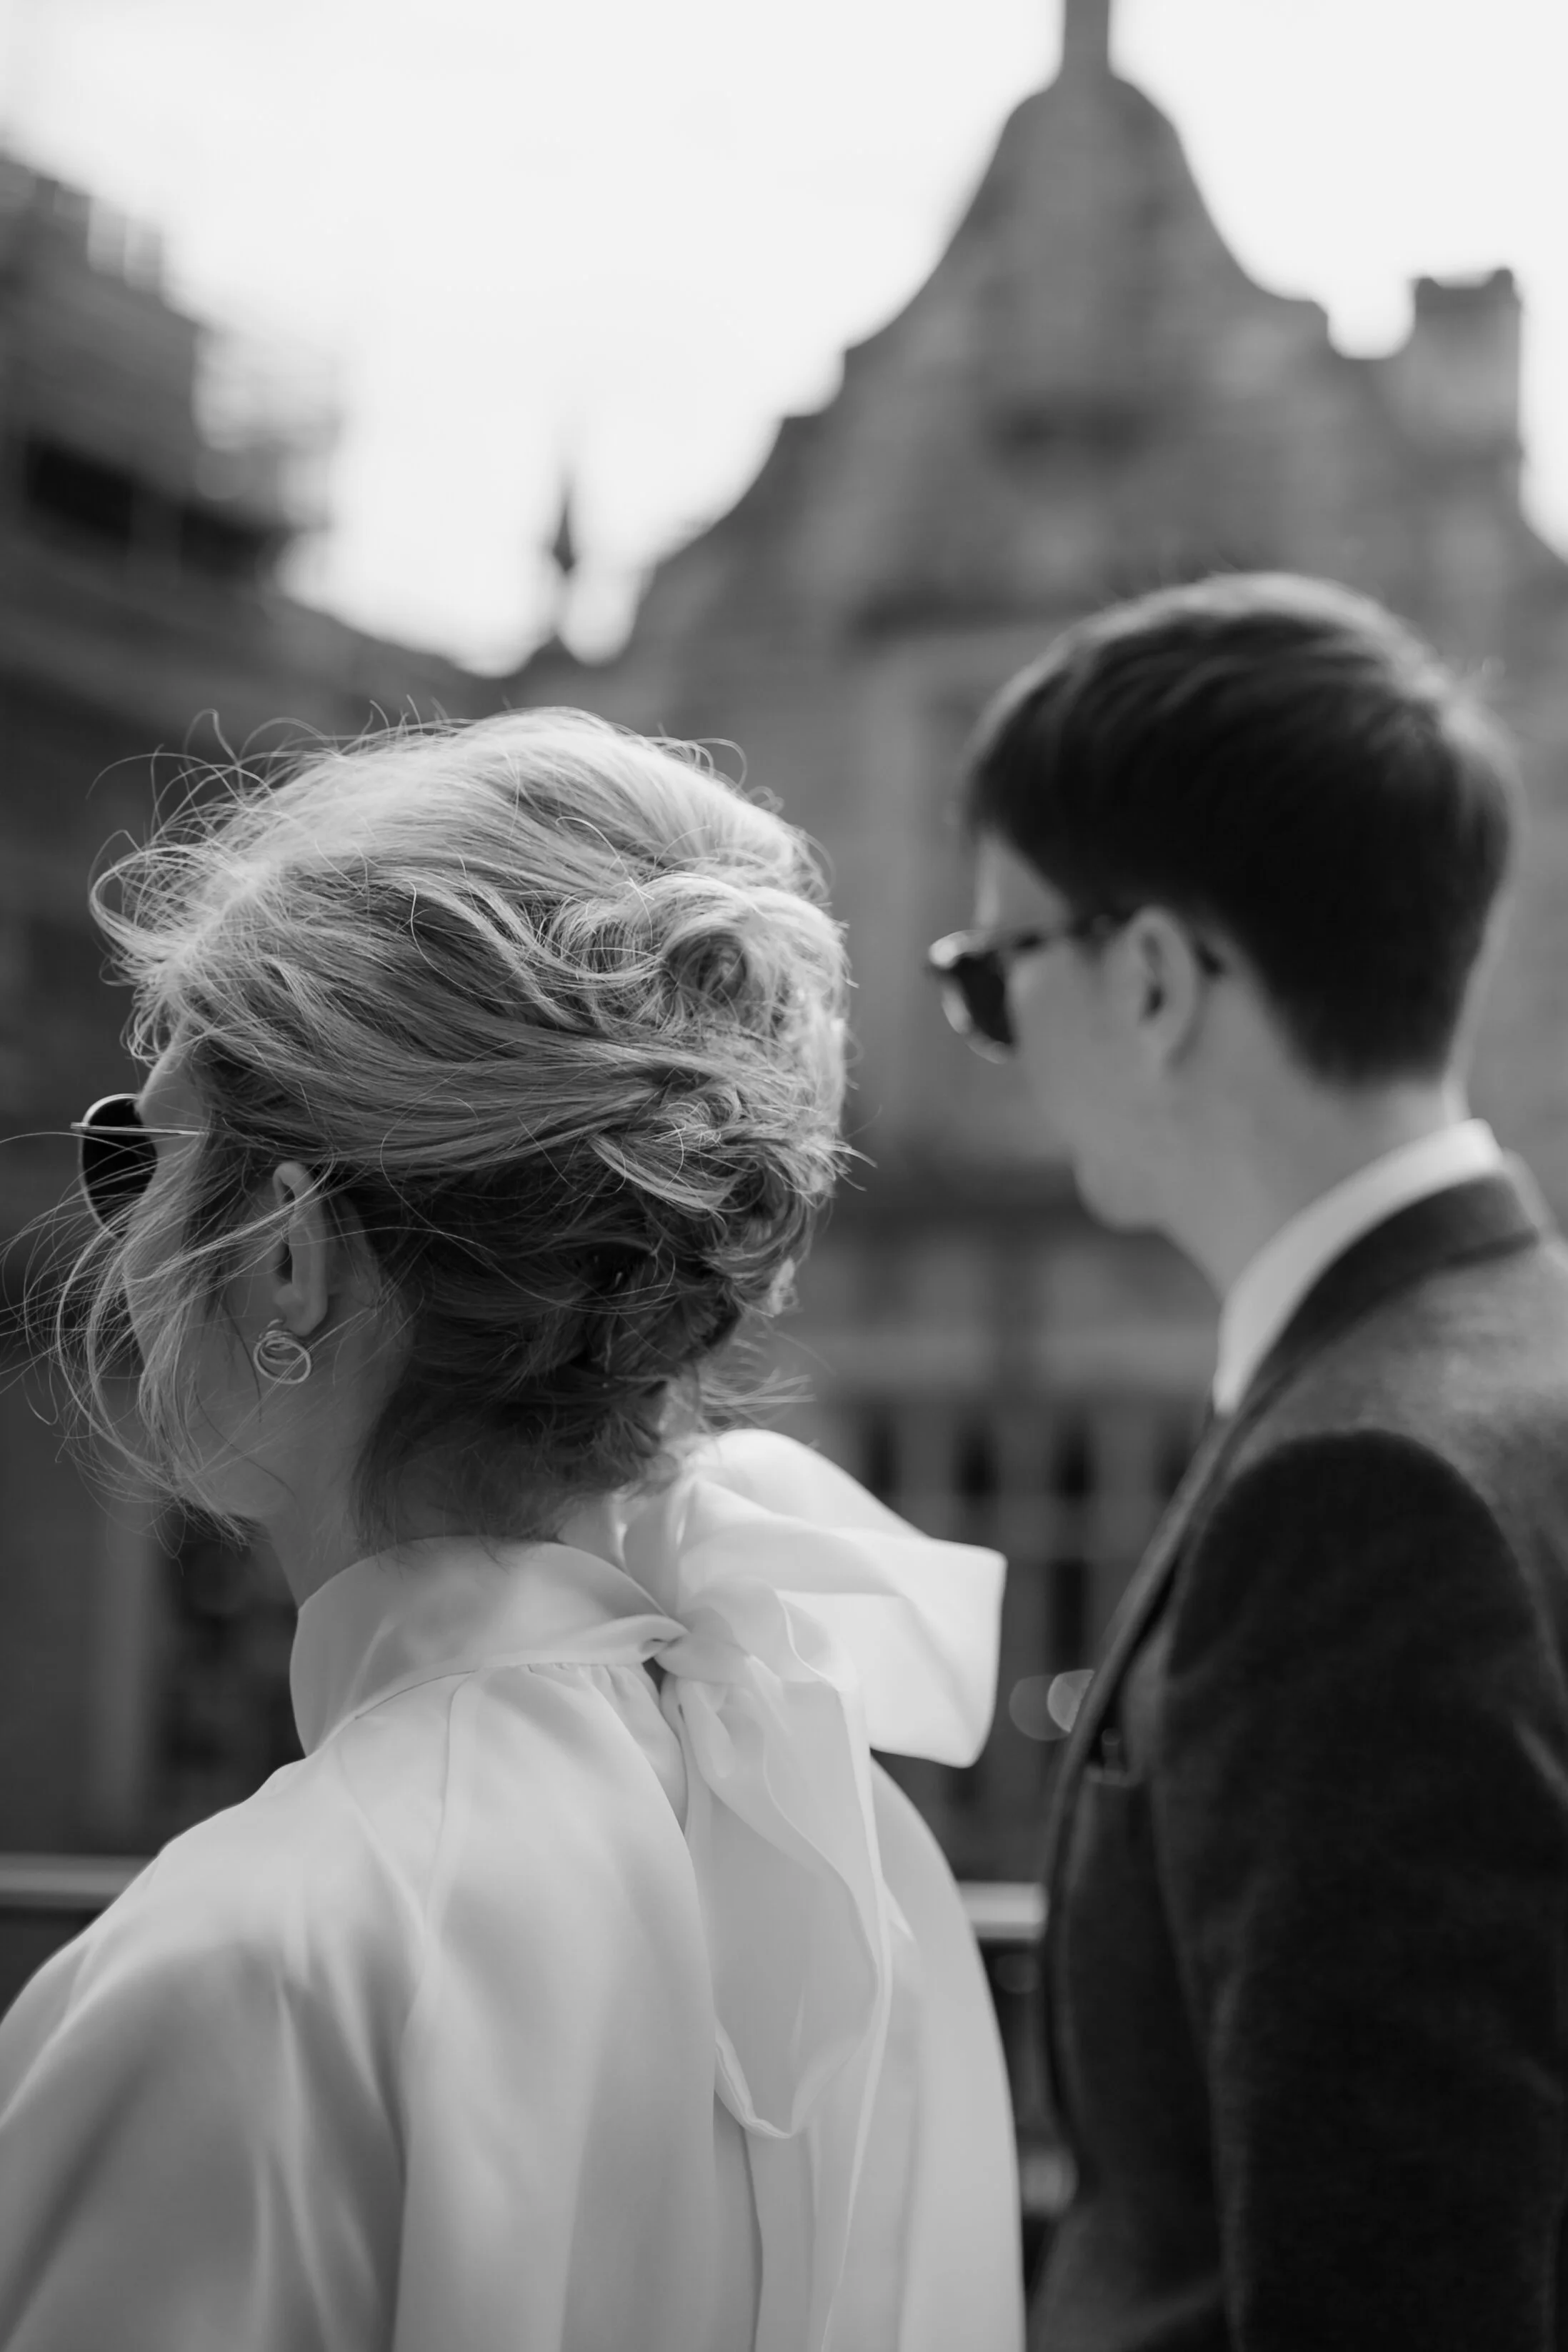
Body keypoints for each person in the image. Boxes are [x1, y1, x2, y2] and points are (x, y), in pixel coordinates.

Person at [0, 712, 1024, 2352]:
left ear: (288, 1259)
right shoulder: (838, 1846)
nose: (113, 1225)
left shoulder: (248, 1969)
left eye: (144, 1148)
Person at [930, 572, 1568, 2352]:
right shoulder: (1523, 1356)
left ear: (1144, 978)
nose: (988, 1028)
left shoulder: (1362, 1495)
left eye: (988, 970)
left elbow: (1390, 2283)